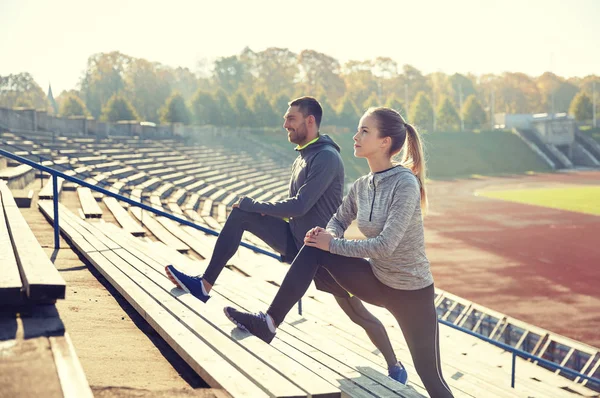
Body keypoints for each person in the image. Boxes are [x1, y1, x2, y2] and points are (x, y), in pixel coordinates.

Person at [165, 97, 407, 383]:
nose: (285, 123)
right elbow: (295, 212)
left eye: (291, 118)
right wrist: (252, 209)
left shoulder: (327, 157)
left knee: (358, 314)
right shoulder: (304, 155)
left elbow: (300, 205)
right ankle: (204, 285)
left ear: (310, 121)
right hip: (297, 241)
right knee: (241, 215)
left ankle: (395, 365)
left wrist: (256, 203)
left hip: (326, 255)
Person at [224, 107, 454, 397]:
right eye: (358, 130)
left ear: (384, 142)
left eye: (364, 131)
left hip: (412, 294)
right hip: (378, 282)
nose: (355, 136)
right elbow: (339, 218)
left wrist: (332, 244)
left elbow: (385, 246)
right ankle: (269, 322)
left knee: (431, 378)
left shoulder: (404, 183)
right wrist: (327, 234)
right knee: (314, 245)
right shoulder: (362, 185)